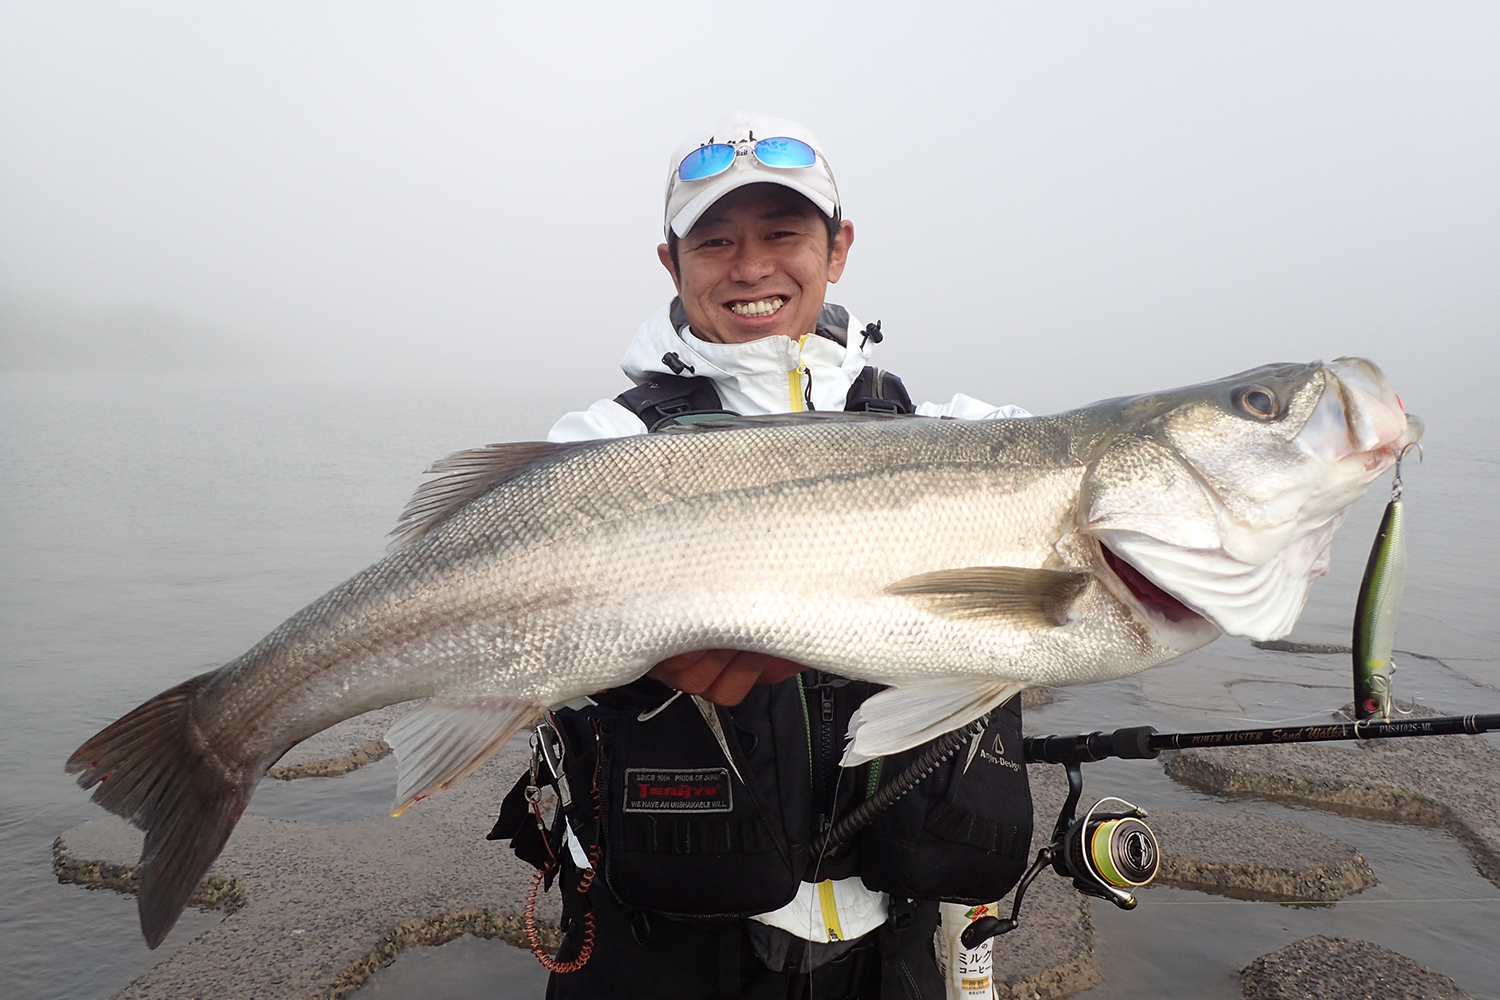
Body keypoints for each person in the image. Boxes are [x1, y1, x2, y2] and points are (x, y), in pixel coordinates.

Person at [494, 112, 1034, 1000]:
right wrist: (619, 668)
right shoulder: (603, 443)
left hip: (885, 944)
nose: (751, 267)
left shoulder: (938, 437)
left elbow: (1055, 465)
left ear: (838, 247)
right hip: (658, 948)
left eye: (783, 233)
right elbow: (515, 634)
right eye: (715, 242)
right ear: (671, 263)